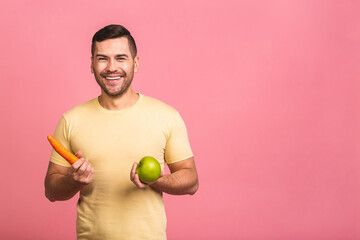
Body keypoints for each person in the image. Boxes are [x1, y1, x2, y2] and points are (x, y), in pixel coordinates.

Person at [44, 24, 199, 240]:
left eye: (120, 58)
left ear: (135, 64)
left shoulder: (167, 116)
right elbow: (51, 191)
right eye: (102, 58)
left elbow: (191, 181)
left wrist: (155, 181)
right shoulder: (71, 120)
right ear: (91, 65)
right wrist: (73, 179)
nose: (111, 67)